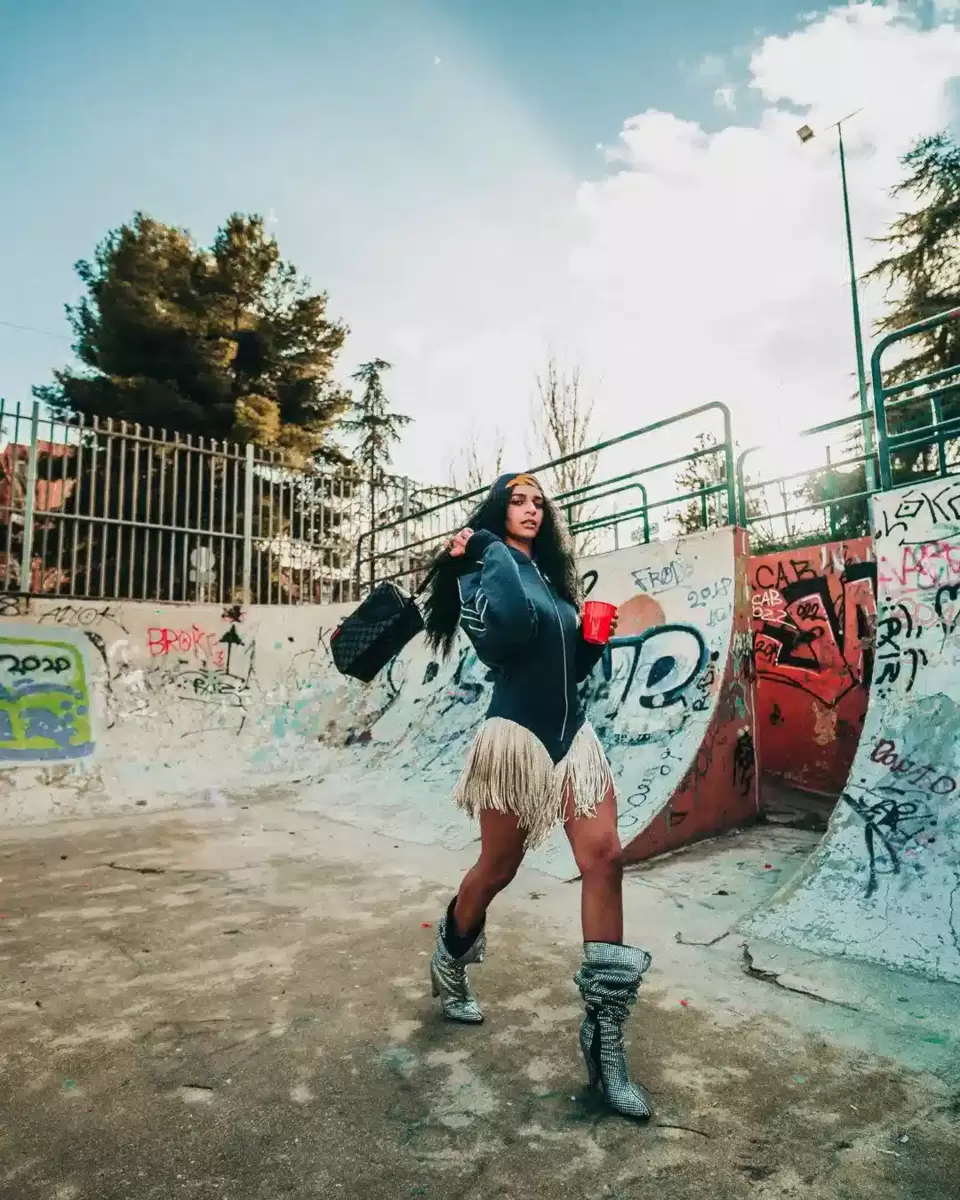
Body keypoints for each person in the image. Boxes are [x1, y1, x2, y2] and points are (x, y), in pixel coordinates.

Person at [421, 471, 653, 1121]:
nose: (530, 510)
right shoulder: (480, 573)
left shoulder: (552, 578)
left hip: (573, 737)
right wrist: (488, 548)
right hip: (515, 737)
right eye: (517, 501)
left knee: (605, 858)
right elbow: (508, 637)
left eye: (538, 503)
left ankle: (605, 1043)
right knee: (498, 867)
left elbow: (567, 665)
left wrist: (590, 641)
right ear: (497, 511)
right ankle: (450, 955)